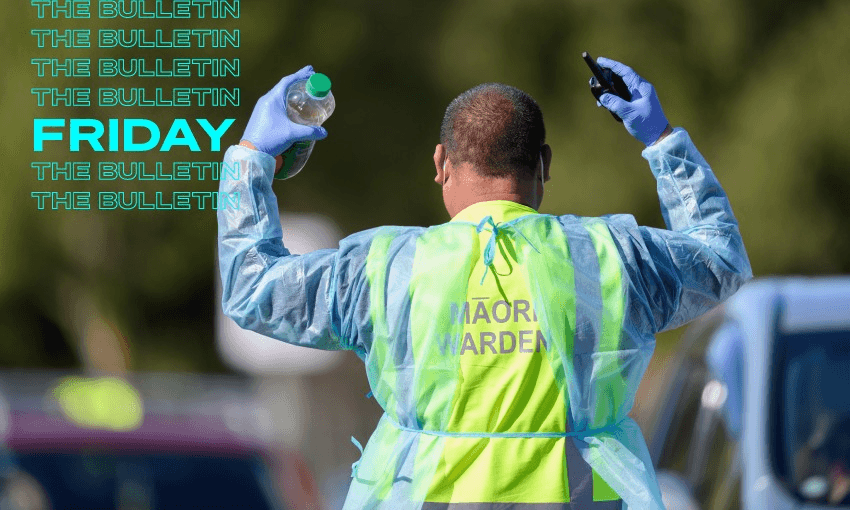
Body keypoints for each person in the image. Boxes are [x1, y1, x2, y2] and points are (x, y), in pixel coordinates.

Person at [218, 59, 752, 509]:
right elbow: (720, 257)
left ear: (441, 164)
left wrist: (251, 157)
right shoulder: (613, 256)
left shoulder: (382, 268)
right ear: (544, 165)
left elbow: (253, 287)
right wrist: (661, 139)